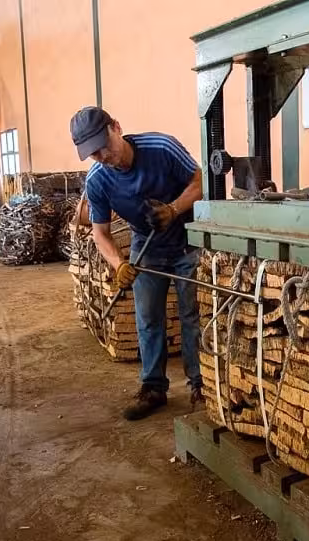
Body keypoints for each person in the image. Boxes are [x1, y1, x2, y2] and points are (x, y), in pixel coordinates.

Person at [70, 106, 205, 420]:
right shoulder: (98, 180)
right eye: (93, 154)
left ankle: (200, 383)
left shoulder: (161, 148)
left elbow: (201, 182)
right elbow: (100, 233)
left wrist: (173, 209)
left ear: (116, 127)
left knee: (192, 315)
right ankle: (153, 387)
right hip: (147, 246)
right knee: (148, 319)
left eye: (104, 146)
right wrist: (119, 264)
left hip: (188, 240)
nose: (103, 156)